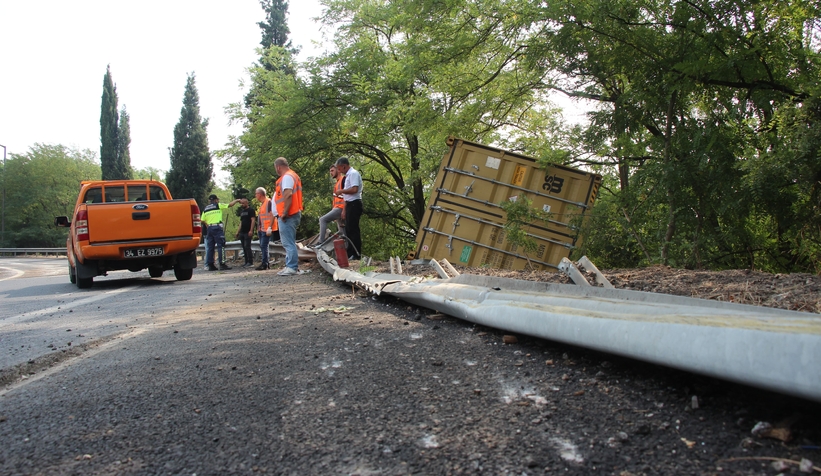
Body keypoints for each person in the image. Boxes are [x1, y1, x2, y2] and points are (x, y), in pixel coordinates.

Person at [274, 157, 303, 276]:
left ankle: (291, 267)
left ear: (278, 167)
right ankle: (290, 266)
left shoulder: (286, 177)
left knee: (288, 243)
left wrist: (284, 212)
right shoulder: (292, 175)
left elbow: (288, 195)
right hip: (292, 213)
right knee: (289, 242)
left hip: (288, 214)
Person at [334, 157, 363, 260]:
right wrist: (344, 210)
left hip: (355, 203)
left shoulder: (353, 174)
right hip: (349, 204)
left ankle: (356, 253)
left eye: (339, 168)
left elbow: (354, 189)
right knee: (348, 229)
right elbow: (347, 197)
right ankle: (350, 252)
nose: (339, 171)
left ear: (344, 166)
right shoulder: (347, 176)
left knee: (353, 229)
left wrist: (341, 191)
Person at [201, 194, 240, 271]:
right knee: (221, 246)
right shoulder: (218, 205)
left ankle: (210, 265)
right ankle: (222, 264)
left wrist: (207, 224)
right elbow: (230, 205)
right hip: (217, 228)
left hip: (209, 229)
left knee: (210, 247)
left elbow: (202, 220)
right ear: (215, 200)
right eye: (217, 199)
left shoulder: (206, 208)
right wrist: (237, 200)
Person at [317, 164, 346, 246]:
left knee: (322, 220)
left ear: (338, 170)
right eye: (330, 171)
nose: (331, 173)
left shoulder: (343, 180)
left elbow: (346, 196)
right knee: (342, 233)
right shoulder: (337, 183)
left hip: (340, 208)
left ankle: (321, 242)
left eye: (332, 171)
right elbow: (336, 199)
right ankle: (346, 249)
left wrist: (344, 210)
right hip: (337, 209)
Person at [254, 187, 278, 270]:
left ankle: (265, 263)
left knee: (264, 245)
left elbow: (272, 215)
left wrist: (269, 227)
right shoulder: (263, 204)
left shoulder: (268, 202)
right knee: (263, 246)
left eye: (256, 194)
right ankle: (265, 263)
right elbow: (261, 217)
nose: (255, 195)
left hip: (266, 228)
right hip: (262, 228)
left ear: (260, 194)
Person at [234, 198, 256, 268]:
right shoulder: (242, 212)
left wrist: (251, 230)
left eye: (243, 203)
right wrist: (238, 231)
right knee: (244, 247)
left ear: (247, 203)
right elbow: (241, 222)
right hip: (242, 232)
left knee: (247, 246)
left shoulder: (251, 210)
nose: (242, 204)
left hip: (248, 231)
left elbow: (253, 220)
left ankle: (250, 262)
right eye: (241, 203)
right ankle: (246, 262)